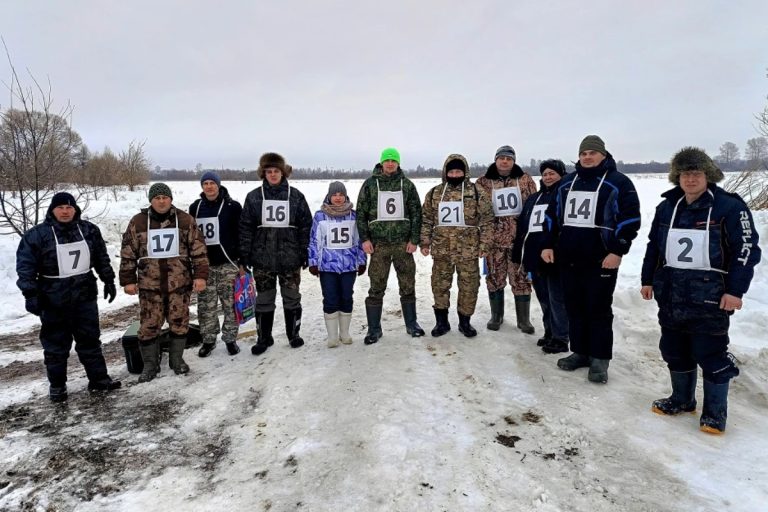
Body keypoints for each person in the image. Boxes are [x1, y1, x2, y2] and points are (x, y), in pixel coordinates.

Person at [641, 147, 760, 434]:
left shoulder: (729, 207)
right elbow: (654, 246)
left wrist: (736, 290)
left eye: (696, 173)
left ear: (708, 175)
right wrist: (647, 279)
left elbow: (746, 251)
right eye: (685, 173)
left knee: (710, 353)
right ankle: (682, 400)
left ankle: (715, 413)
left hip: (710, 296)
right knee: (674, 349)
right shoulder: (667, 207)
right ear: (677, 177)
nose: (690, 179)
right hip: (671, 293)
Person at [541, 135, 641, 383]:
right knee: (574, 307)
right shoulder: (567, 183)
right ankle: (581, 352)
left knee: (598, 309)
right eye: (583, 153)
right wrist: (548, 244)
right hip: (569, 258)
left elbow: (629, 220)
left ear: (603, 155)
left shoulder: (618, 183)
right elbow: (552, 216)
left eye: (592, 153)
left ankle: (599, 359)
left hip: (601, 259)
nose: (587, 157)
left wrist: (617, 250)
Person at [16, 192, 121, 402]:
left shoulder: (89, 230)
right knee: (56, 345)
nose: (65, 211)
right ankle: (57, 386)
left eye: (69, 207)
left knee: (90, 339)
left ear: (75, 210)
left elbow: (101, 257)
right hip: (53, 298)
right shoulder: (37, 235)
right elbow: (25, 267)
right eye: (61, 207)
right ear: (52, 210)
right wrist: (30, 294)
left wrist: (108, 279)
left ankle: (99, 379)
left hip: (84, 295)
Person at [119, 183, 209, 382]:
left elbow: (199, 251)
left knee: (179, 323)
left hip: (179, 285)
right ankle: (150, 365)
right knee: (149, 325)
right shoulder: (138, 222)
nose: (161, 201)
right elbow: (128, 252)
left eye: (165, 197)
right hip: (149, 287)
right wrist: (127, 280)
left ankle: (176, 360)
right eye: (157, 198)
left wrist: (200, 276)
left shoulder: (185, 221)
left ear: (171, 199)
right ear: (151, 200)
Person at [239, 152, 312, 355]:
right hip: (262, 259)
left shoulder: (296, 196)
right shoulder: (254, 197)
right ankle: (264, 337)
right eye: (268, 171)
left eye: (276, 171)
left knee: (292, 297)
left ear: (283, 172)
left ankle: (293, 334)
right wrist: (245, 255)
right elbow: (245, 227)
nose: (272, 174)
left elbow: (306, 225)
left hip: (290, 258)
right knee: (264, 299)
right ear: (263, 174)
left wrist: (304, 251)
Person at [356, 147, 425, 344]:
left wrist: (414, 240)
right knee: (376, 286)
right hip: (379, 246)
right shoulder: (370, 185)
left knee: (407, 285)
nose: (390, 163)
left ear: (398, 163)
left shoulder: (407, 185)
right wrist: (365, 239)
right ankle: (374, 329)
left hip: (403, 245)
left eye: (393, 160)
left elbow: (416, 213)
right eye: (387, 160)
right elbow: (361, 214)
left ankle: (412, 324)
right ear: (381, 162)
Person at [420, 154, 493, 337]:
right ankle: (441, 322)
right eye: (451, 171)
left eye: (458, 171)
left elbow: (487, 220)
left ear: (465, 172)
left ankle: (465, 322)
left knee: (469, 286)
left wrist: (484, 244)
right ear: (446, 172)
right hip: (441, 249)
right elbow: (427, 219)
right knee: (439, 285)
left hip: (468, 250)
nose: (454, 174)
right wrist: (425, 241)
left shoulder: (476, 192)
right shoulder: (435, 193)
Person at [476, 145, 538, 334]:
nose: (505, 161)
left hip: (519, 240)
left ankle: (523, 319)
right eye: (501, 158)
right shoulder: (483, 182)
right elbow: (478, 210)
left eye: (509, 158)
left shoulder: (525, 180)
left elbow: (533, 205)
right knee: (494, 277)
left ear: (514, 161)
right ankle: (497, 316)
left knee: (521, 278)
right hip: (493, 241)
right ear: (496, 160)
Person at [512, 159, 570, 354]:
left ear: (561, 175)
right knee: (544, 297)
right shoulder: (534, 198)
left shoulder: (565, 196)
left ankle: (561, 337)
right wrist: (518, 252)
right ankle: (549, 331)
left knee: (557, 299)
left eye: (552, 173)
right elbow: (524, 227)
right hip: (534, 255)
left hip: (554, 255)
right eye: (545, 174)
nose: (548, 177)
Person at [189, 171, 244, 357]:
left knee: (230, 304)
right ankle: (208, 339)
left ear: (219, 185)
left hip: (228, 263)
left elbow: (241, 235)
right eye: (206, 183)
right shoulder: (195, 208)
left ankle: (230, 339)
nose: (209, 186)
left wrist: (242, 261)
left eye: (213, 183)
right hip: (204, 266)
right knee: (206, 305)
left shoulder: (232, 207)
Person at [308, 182, 367, 347]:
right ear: (329, 196)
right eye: (335, 195)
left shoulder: (354, 216)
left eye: (341, 194)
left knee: (346, 297)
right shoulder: (320, 216)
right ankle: (332, 336)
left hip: (349, 266)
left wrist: (362, 261)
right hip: (327, 267)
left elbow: (359, 240)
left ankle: (345, 332)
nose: (338, 198)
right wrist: (313, 262)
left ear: (345, 196)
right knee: (330, 298)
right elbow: (314, 241)